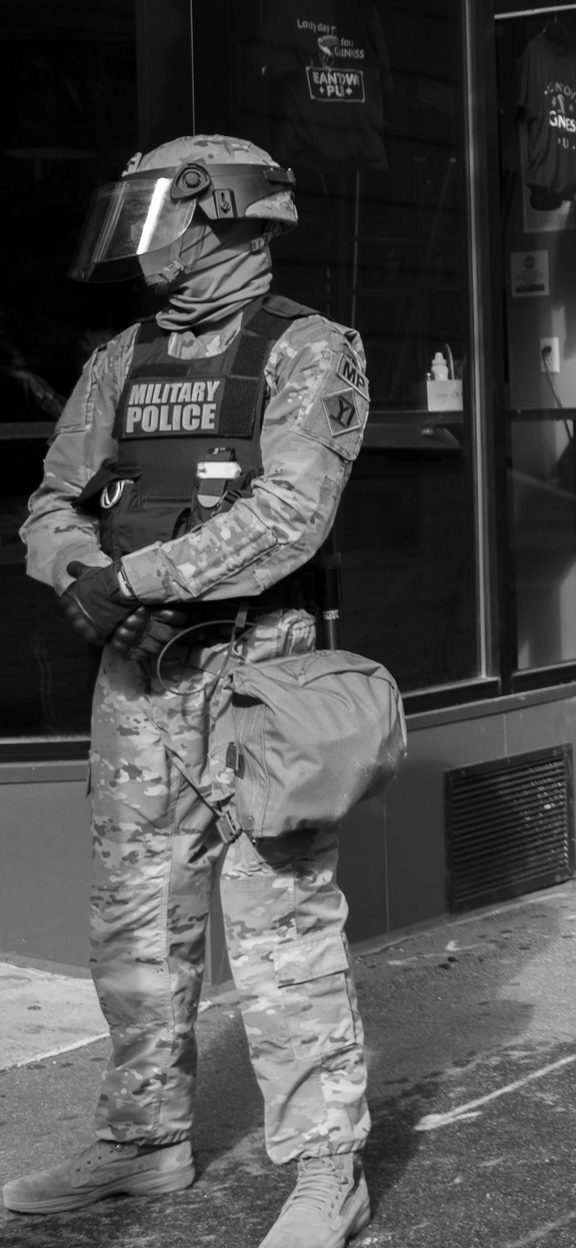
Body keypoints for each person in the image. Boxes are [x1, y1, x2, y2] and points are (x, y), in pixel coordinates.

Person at [3, 136, 374, 1248]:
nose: (143, 236)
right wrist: (81, 578)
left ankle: (325, 1170)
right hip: (135, 687)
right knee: (134, 926)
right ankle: (142, 1145)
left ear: (223, 216)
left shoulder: (312, 351)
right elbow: (52, 496)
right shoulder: (123, 356)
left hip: (256, 678)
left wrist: (142, 580)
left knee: (282, 929)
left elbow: (292, 514)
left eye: (160, 212)